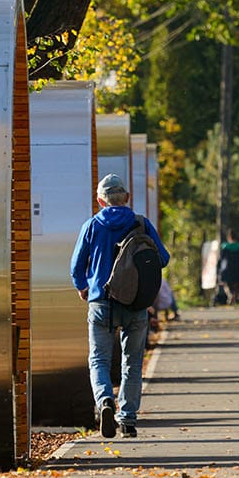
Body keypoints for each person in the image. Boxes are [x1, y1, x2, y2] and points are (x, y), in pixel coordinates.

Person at [70, 173, 169, 439]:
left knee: (99, 359)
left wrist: (83, 287)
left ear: (101, 200)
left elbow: (76, 266)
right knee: (132, 362)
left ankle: (104, 401)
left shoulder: (92, 225)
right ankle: (128, 420)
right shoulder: (141, 223)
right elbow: (163, 258)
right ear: (126, 198)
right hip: (136, 303)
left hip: (101, 301)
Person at [216, 232, 239, 308]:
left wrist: (218, 267)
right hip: (237, 268)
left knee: (226, 284)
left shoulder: (225, 247)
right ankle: (235, 297)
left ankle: (230, 295)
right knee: (237, 285)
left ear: (229, 238)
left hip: (227, 269)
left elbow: (221, 258)